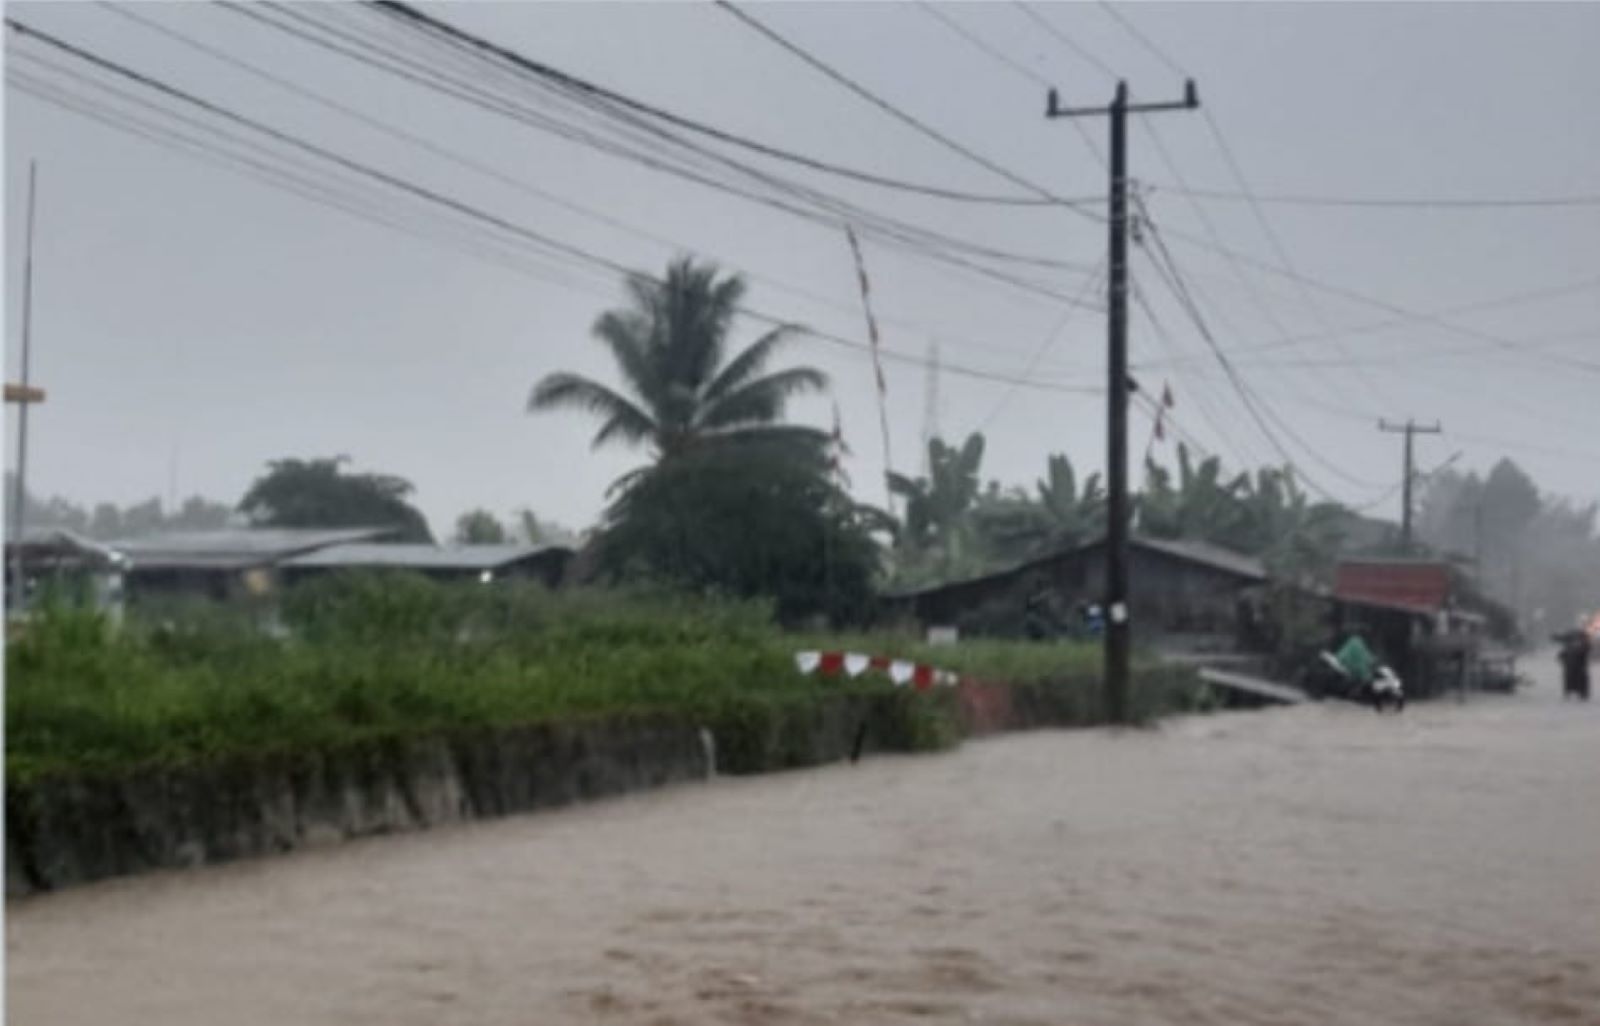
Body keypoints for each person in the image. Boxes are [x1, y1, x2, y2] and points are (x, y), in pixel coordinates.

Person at [1555, 628, 1591, 701]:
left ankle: (1580, 693)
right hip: (1573, 663)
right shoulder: (1574, 640)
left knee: (1575, 677)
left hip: (1577, 663)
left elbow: (1587, 649)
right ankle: (1574, 692)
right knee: (1570, 677)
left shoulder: (1583, 641)